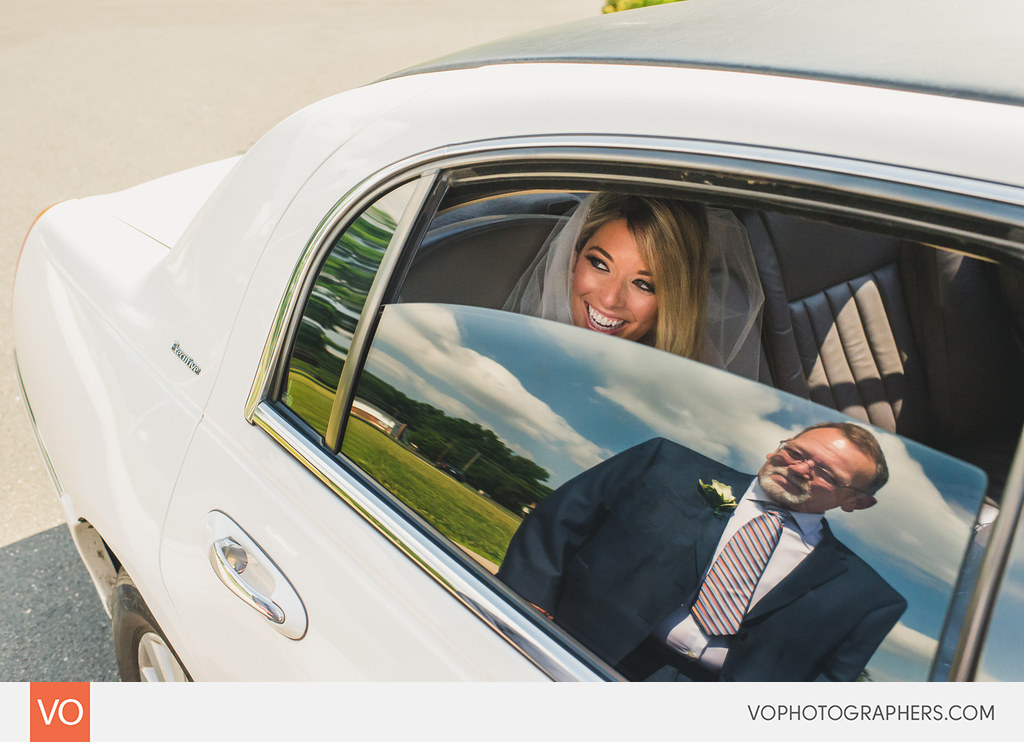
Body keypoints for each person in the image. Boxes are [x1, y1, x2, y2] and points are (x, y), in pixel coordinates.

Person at [497, 422, 907, 682]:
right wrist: (524, 605)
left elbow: (828, 685)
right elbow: (559, 522)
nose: (800, 468)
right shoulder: (664, 465)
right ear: (776, 448)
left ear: (856, 502)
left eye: (825, 473)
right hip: (573, 644)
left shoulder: (869, 597)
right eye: (797, 452)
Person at [503, 192, 765, 379]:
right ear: (574, 258)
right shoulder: (513, 356)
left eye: (643, 284)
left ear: (672, 301)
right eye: (600, 264)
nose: (610, 299)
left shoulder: (686, 392)